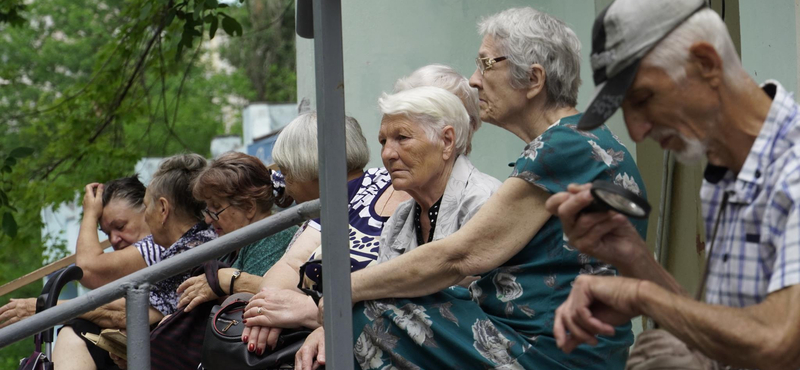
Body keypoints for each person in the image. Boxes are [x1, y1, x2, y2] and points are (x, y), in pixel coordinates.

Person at [295, 7, 646, 370]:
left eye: (486, 64)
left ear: (534, 79)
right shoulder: (579, 140)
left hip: (546, 351)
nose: (474, 80)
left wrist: (341, 290)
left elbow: (460, 256)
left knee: (371, 310)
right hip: (554, 341)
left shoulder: (564, 146)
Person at [546, 1, 800, 369]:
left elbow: (779, 342)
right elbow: (725, 334)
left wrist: (642, 295)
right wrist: (636, 260)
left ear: (706, 64)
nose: (636, 130)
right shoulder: (725, 172)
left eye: (644, 99)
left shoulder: (792, 169)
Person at [238, 112, 410, 356]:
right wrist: (270, 312)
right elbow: (289, 265)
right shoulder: (350, 192)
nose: (285, 185)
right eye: (383, 141)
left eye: (286, 174)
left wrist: (313, 313)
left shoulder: (427, 205)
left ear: (309, 168)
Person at [51, 154, 216, 370]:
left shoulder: (183, 251)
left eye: (120, 226)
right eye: (107, 233)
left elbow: (91, 274)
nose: (113, 240)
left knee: (77, 328)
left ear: (163, 209)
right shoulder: (193, 244)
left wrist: (47, 308)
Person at [175, 151, 298, 312]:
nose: (208, 219)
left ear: (248, 207)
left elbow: (248, 305)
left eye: (216, 208)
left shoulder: (274, 235)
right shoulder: (236, 242)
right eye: (207, 208)